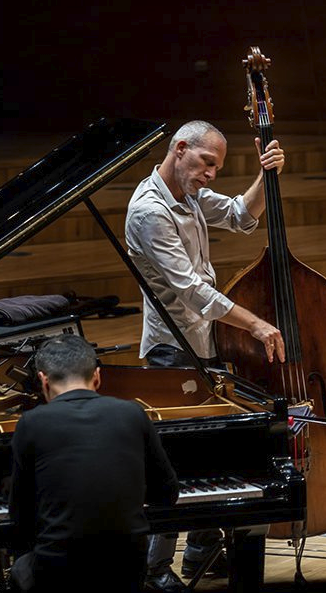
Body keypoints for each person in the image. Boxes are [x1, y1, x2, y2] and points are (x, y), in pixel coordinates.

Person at [124, 120, 287, 592]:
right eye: (206, 163)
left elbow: (239, 214)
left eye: (218, 166)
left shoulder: (189, 195)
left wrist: (266, 175)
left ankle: (201, 549)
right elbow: (193, 292)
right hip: (172, 350)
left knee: (211, 449)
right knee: (176, 460)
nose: (212, 174)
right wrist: (254, 323)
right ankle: (154, 569)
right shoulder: (150, 212)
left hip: (203, 345)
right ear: (179, 149)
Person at [8, 334, 179, 593]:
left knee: (19, 566)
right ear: (98, 376)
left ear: (42, 380)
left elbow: (20, 513)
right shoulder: (133, 413)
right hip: (128, 566)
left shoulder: (31, 423)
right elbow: (167, 493)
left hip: (58, 567)